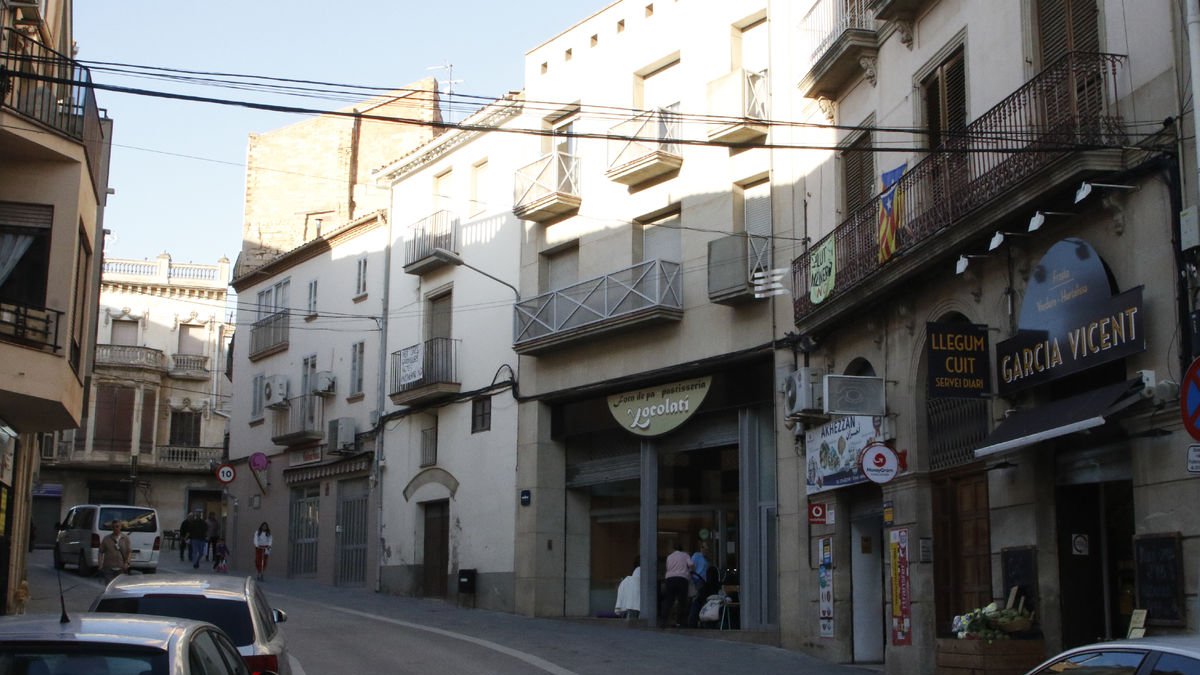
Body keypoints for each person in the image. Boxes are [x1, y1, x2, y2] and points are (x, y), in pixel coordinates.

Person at [659, 542, 693, 628]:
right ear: (682, 549)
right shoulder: (685, 555)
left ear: (674, 549)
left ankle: (663, 621)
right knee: (682, 601)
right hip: (682, 579)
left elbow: (668, 568)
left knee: (669, 600)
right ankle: (681, 622)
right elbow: (691, 565)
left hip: (670, 579)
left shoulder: (669, 557)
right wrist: (689, 572)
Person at [688, 542, 714, 627]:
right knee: (697, 600)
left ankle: (699, 620)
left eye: (707, 548)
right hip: (698, 580)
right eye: (704, 548)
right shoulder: (697, 555)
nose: (706, 550)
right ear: (701, 548)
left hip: (704, 581)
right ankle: (692, 621)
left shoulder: (706, 558)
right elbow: (692, 566)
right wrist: (692, 577)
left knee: (701, 600)